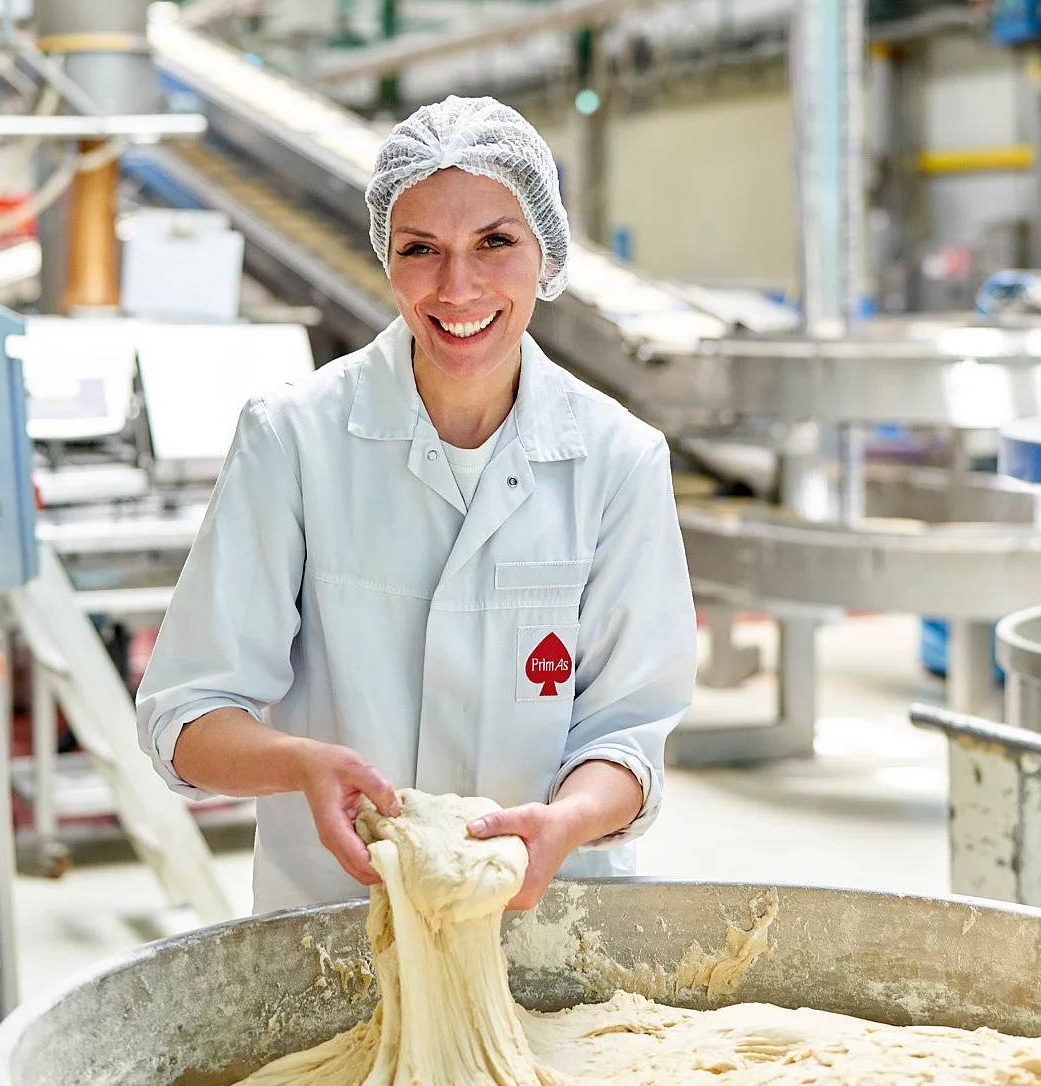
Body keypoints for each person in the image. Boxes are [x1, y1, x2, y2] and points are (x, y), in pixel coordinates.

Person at [136, 96, 697, 914]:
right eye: (420, 249)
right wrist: (300, 765)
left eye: (495, 242)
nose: (457, 285)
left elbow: (629, 729)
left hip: (547, 919)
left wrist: (564, 820)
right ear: (386, 258)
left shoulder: (618, 459)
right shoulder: (294, 439)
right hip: (336, 919)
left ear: (546, 252)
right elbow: (187, 712)